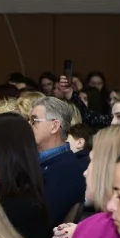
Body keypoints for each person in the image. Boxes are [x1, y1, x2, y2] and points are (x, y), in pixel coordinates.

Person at [29, 97, 86, 226]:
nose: (28, 125)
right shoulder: (43, 161)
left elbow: (42, 222)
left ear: (54, 126)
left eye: (34, 121)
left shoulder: (66, 169)